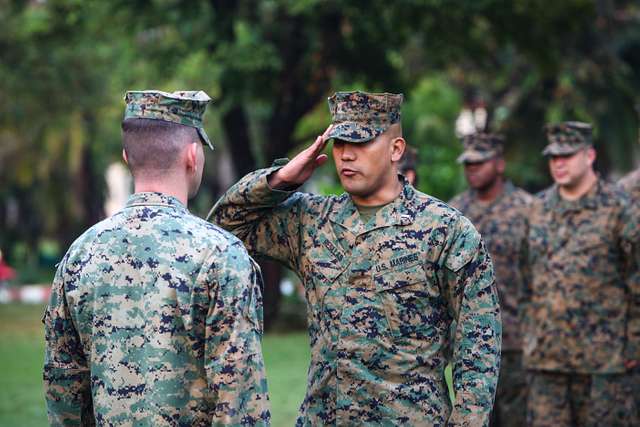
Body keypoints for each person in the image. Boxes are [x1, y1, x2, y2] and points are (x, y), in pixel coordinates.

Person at [209, 90, 501, 425]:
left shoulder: (446, 230)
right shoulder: (311, 220)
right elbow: (223, 228)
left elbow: (479, 344)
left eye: (361, 144)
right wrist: (280, 179)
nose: (347, 155)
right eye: (340, 144)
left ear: (396, 149)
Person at [43, 90, 270, 426]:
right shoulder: (221, 255)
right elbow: (240, 402)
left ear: (126, 156)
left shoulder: (80, 255)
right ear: (192, 156)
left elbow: (63, 395)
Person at [523, 121, 639, 426]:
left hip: (604, 362)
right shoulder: (536, 209)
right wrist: (530, 332)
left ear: (589, 155)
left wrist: (633, 342)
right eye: (553, 157)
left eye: (567, 155)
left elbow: (636, 279)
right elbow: (526, 278)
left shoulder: (620, 208)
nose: (558, 163)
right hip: (547, 359)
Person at [449, 132, 531, 427]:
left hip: (515, 342)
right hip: (469, 343)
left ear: (499, 164)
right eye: (468, 163)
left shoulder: (527, 209)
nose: (472, 168)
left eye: (479, 162)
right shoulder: (455, 213)